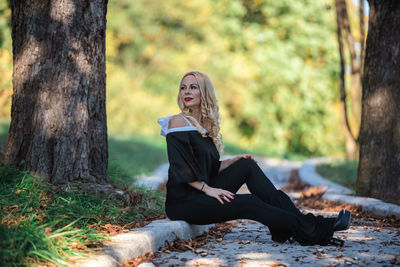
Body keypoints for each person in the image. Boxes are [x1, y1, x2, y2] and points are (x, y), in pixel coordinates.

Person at [157, 70, 351, 246]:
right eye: (183, 88)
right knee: (247, 202)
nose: (186, 92)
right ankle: (314, 228)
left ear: (204, 92)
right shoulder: (177, 122)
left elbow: (208, 168)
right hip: (184, 202)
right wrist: (208, 190)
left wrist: (234, 161)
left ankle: (289, 228)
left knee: (247, 165)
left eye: (193, 87)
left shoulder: (204, 125)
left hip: (202, 192)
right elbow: (180, 166)